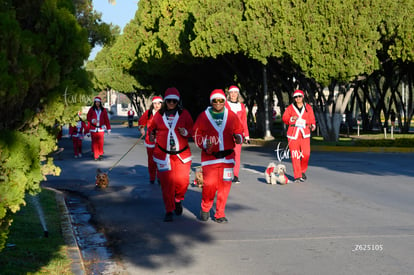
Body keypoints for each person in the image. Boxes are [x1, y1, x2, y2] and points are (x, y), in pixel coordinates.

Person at [193, 89, 244, 223]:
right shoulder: (203, 116)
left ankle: (220, 213)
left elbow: (239, 130)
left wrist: (238, 137)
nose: (218, 103)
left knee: (224, 186)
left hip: (227, 158)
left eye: (221, 100)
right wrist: (204, 143)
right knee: (209, 185)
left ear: (224, 101)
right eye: (215, 100)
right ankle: (205, 206)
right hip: (210, 158)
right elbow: (196, 134)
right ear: (211, 101)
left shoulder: (231, 115)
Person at [148, 88, 193, 222]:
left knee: (183, 182)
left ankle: (178, 199)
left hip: (181, 155)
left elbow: (192, 129)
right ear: (165, 101)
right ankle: (169, 210)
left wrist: (186, 132)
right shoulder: (158, 115)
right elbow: (151, 128)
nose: (171, 103)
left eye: (174, 100)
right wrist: (151, 134)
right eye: (169, 100)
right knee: (167, 185)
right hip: (163, 155)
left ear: (178, 101)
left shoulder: (184, 114)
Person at [282, 89, 316, 182]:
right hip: (293, 134)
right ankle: (297, 175)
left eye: (299, 96)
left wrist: (313, 125)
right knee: (295, 155)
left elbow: (312, 118)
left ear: (303, 97)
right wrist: (291, 118)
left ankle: (302, 171)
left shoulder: (308, 107)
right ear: (294, 98)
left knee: (306, 154)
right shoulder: (290, 108)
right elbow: (284, 118)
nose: (298, 98)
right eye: (296, 97)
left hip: (305, 133)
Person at [225, 85, 250, 184]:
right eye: (231, 92)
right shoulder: (225, 105)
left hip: (238, 134)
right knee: (227, 154)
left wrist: (247, 135)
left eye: (235, 92)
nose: (233, 95)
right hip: (227, 134)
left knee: (237, 155)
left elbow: (244, 121)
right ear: (229, 94)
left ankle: (235, 175)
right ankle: (226, 174)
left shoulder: (242, 106)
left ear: (238, 94)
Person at [138, 96, 163, 184]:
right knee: (151, 161)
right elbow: (141, 121)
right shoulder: (148, 113)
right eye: (155, 103)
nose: (157, 105)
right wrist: (141, 129)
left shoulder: (165, 113)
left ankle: (160, 177)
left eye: (159, 103)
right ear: (152, 104)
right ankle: (152, 177)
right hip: (150, 140)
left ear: (162, 104)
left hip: (162, 140)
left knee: (161, 160)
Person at [87, 96, 111, 161]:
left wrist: (108, 128)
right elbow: (88, 117)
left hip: (101, 128)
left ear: (100, 102)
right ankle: (96, 156)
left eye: (98, 102)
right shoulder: (91, 109)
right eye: (96, 102)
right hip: (93, 129)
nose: (97, 103)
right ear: (94, 102)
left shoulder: (103, 110)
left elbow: (106, 119)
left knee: (101, 142)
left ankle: (100, 153)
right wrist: (92, 120)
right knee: (94, 142)